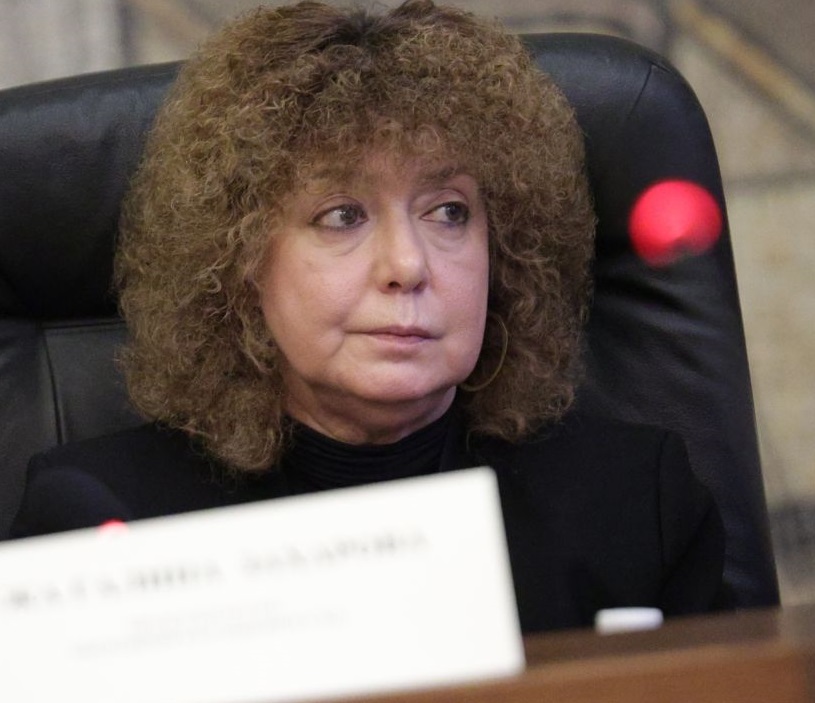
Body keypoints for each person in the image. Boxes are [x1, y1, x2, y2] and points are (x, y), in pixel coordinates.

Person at [9, 0, 728, 632]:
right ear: (238, 262)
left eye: (449, 212)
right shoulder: (101, 527)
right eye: (341, 215)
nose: (408, 265)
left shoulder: (636, 505)